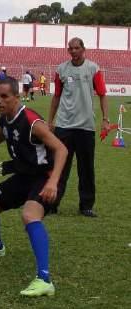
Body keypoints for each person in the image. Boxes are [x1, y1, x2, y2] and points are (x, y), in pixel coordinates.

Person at [0, 76, 68, 297]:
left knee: (30, 215)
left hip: (45, 177)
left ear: (17, 97)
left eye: (4, 96)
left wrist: (54, 182)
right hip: (23, 176)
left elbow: (61, 149)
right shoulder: (5, 119)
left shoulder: (32, 121)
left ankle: (44, 280)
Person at [48, 37, 109, 218]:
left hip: (86, 127)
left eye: (76, 48)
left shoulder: (93, 69)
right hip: (64, 126)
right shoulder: (61, 70)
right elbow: (56, 97)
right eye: (70, 48)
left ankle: (86, 205)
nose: (73, 51)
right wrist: (50, 121)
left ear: (83, 49)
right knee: (59, 167)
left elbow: (103, 95)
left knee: (86, 169)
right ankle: (52, 203)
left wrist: (105, 119)